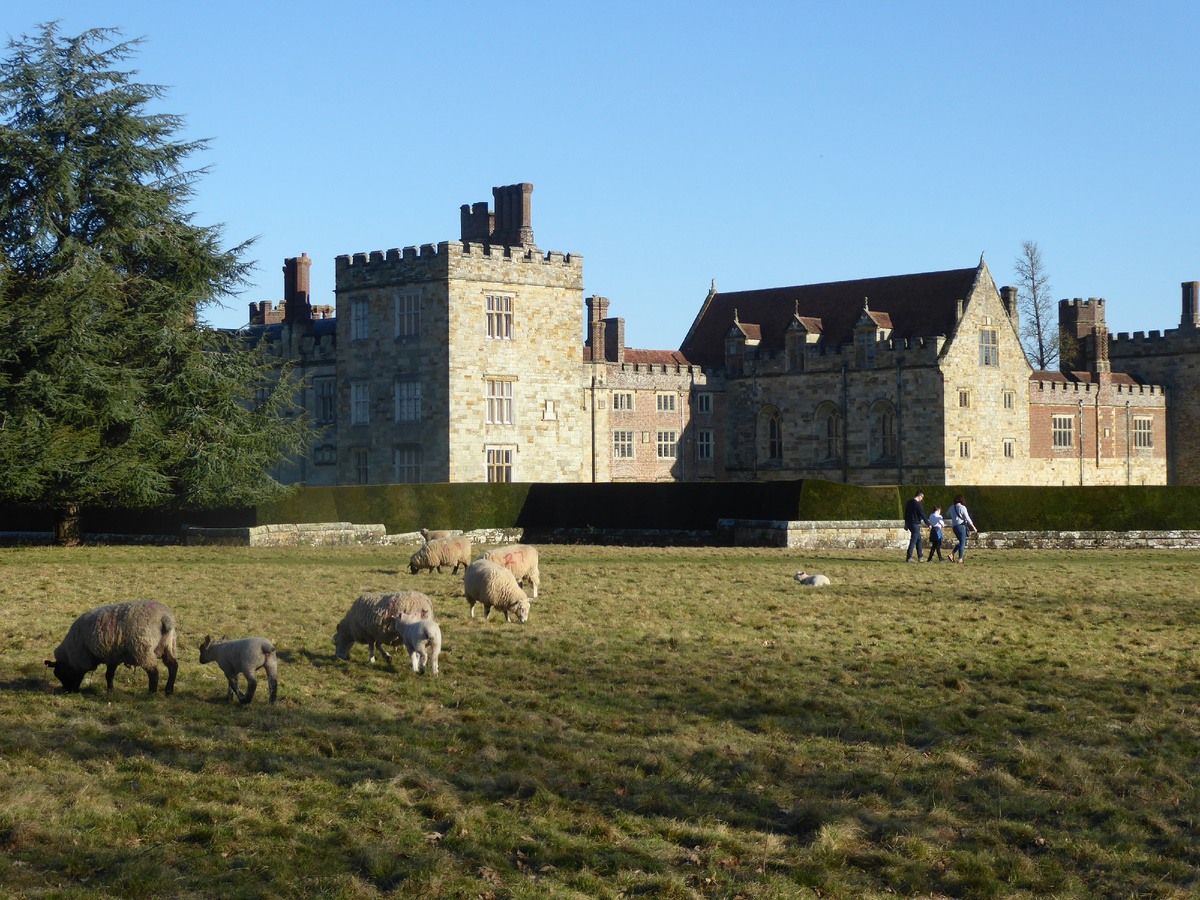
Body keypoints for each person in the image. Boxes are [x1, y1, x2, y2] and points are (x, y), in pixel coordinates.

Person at [949, 495, 978, 563]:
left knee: (962, 542)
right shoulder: (962, 508)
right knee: (963, 542)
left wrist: (954, 516)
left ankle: (952, 554)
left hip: (954, 527)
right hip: (961, 526)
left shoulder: (951, 507)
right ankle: (960, 559)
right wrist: (973, 527)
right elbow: (967, 518)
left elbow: (947, 514)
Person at [903, 490, 929, 562]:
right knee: (914, 540)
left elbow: (906, 514)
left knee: (918, 539)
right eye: (922, 497)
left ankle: (920, 556)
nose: (922, 498)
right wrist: (928, 524)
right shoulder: (917, 504)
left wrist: (906, 523)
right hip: (915, 524)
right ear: (919, 495)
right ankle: (909, 557)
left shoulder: (909, 503)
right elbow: (922, 514)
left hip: (910, 524)